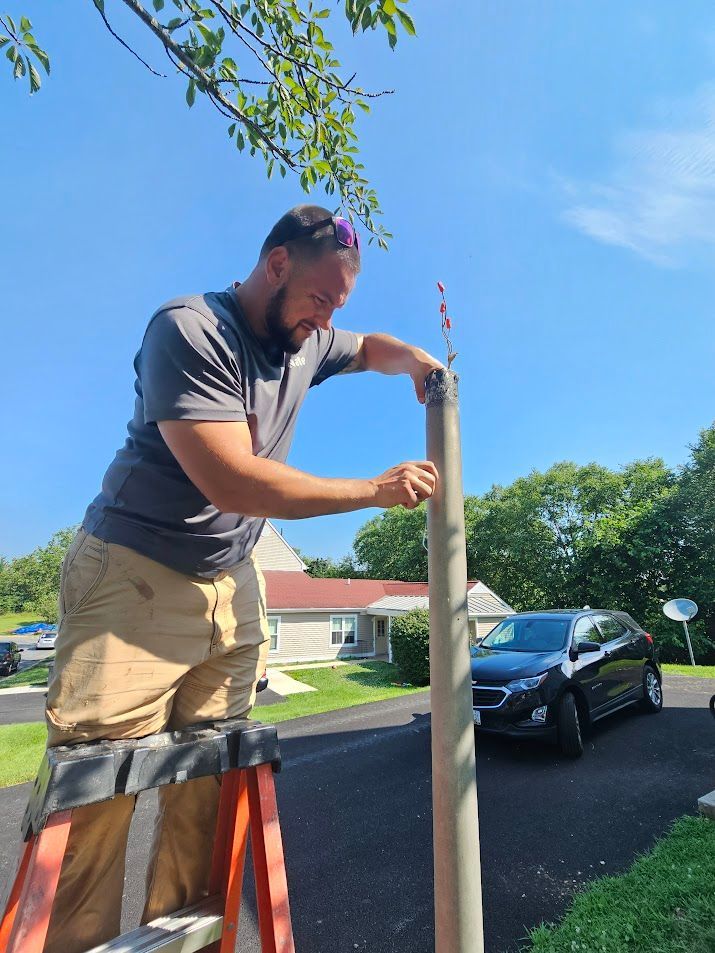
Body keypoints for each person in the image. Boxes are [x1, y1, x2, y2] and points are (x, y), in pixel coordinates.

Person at [44, 204, 442, 952]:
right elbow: (232, 482)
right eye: (320, 298)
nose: (326, 319)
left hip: (231, 579)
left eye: (338, 305)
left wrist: (415, 359)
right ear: (277, 264)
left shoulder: (308, 338)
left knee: (208, 784)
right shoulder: (191, 328)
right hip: (134, 574)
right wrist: (376, 490)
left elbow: (368, 348)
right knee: (99, 798)